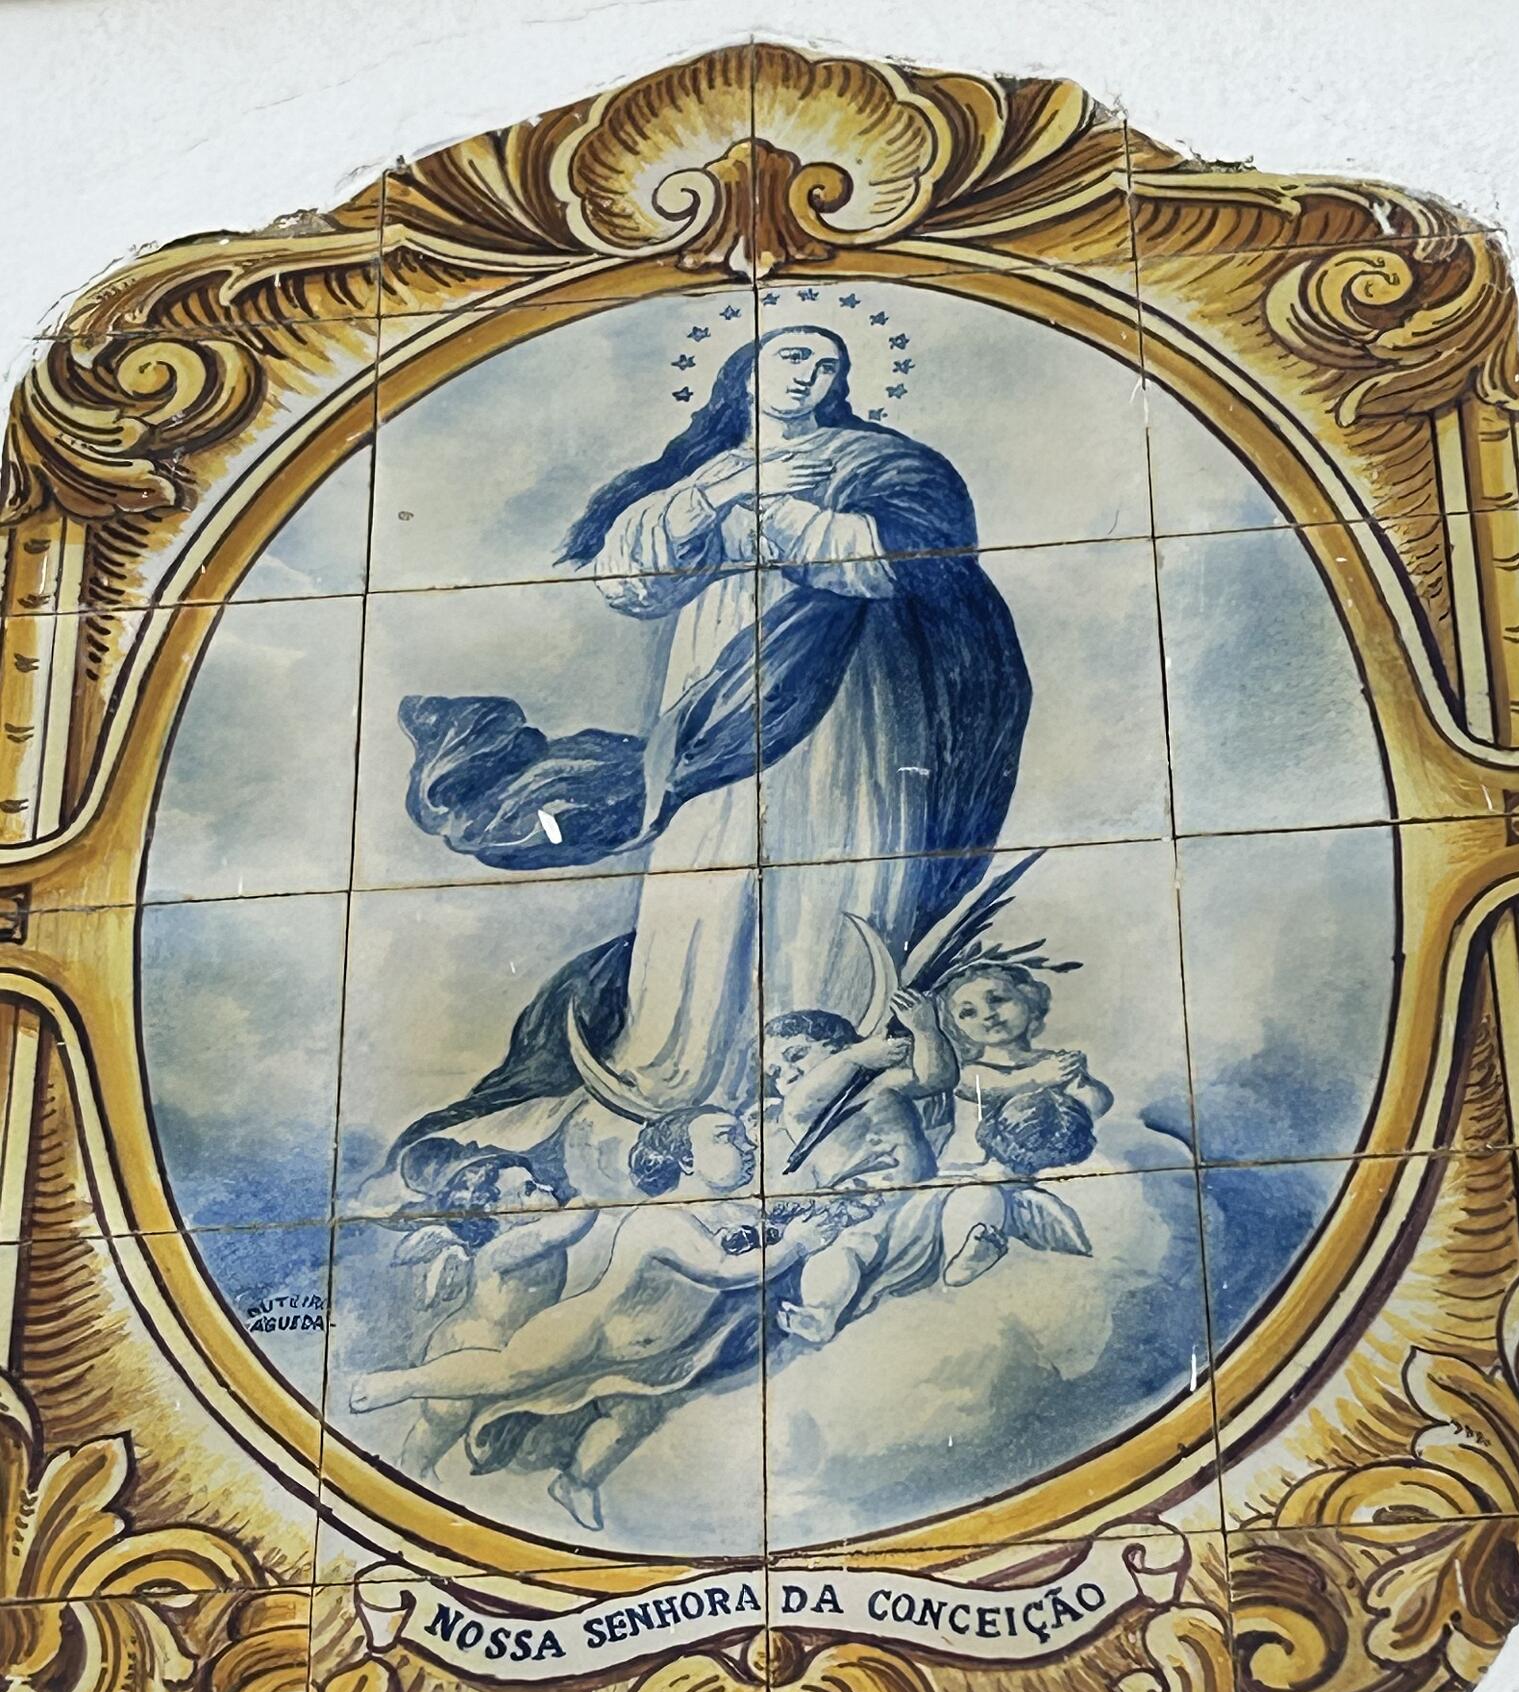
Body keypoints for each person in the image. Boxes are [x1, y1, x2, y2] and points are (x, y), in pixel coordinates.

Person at [386, 326, 1030, 1178]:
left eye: (828, 365)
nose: (810, 375)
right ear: (745, 373)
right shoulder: (708, 468)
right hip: (716, 693)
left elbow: (908, 564)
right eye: (792, 357)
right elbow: (631, 582)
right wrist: (716, 493)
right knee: (711, 858)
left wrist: (785, 517)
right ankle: (682, 1069)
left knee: (839, 851)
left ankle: (837, 1065)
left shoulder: (883, 463)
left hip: (850, 692)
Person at [350, 1107, 867, 1529]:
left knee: (634, 1419)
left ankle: (576, 1481)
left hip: (644, 1357)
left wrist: (823, 1216)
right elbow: (723, 1270)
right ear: (686, 1159)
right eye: (726, 1137)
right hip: (584, 1334)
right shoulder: (661, 1219)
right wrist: (797, 1245)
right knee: (509, 1370)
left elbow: (767, 1227)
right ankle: (400, 1382)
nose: (747, 1145)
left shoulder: (728, 1210)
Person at [380, 1146, 594, 1481]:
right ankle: (413, 1474)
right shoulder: (503, 1250)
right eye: (528, 1189)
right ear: (496, 1211)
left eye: (537, 1183)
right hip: (460, 1352)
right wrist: (595, 1188)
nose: (546, 1189)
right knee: (439, 1428)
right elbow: (569, 1226)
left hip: (507, 1356)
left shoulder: (535, 1231)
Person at [765, 989, 958, 1345]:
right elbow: (803, 1098)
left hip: (919, 1193)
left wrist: (926, 1030)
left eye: (797, 1056)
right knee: (840, 1253)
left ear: (837, 1047)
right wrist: (856, 1057)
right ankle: (821, 1312)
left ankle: (974, 1252)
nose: (787, 1074)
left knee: (969, 1199)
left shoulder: (884, 1084)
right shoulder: (801, 1115)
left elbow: (937, 1079)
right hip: (858, 1209)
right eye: (775, 1072)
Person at [934, 959, 1111, 1285]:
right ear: (957, 1028)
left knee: (1058, 1217)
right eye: (968, 1012)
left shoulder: (1050, 1063)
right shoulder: (969, 1071)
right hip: (969, 1174)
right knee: (977, 1201)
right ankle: (969, 1256)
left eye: (998, 999)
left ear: (1030, 1002)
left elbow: (1096, 1104)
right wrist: (1039, 1078)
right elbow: (986, 1088)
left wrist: (1080, 1081)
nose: (988, 1014)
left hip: (1024, 1179)